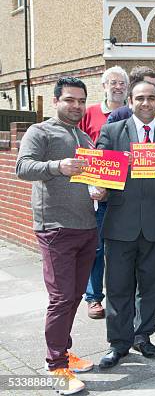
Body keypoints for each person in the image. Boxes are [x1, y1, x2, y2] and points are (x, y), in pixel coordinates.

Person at [96, 80, 155, 369]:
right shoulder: (112, 131)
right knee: (117, 287)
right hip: (120, 223)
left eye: (151, 98)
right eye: (140, 98)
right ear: (130, 101)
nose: (146, 103)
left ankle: (144, 336)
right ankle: (118, 343)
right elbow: (100, 174)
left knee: (151, 287)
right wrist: (100, 183)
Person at [16, 77, 104, 394]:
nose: (76, 106)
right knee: (61, 298)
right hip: (55, 228)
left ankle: (63, 352)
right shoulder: (39, 131)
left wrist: (100, 190)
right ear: (56, 101)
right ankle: (54, 365)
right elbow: (22, 167)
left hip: (86, 226)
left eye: (81, 101)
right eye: (70, 100)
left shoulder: (84, 135)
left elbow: (91, 178)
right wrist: (58, 165)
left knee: (75, 296)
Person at [78, 66, 129, 320]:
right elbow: (78, 147)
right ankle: (94, 297)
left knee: (120, 249)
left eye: (122, 83)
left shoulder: (133, 114)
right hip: (98, 191)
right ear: (104, 86)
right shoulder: (89, 114)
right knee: (96, 247)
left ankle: (122, 298)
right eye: (113, 82)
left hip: (125, 194)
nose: (118, 87)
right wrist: (90, 183)